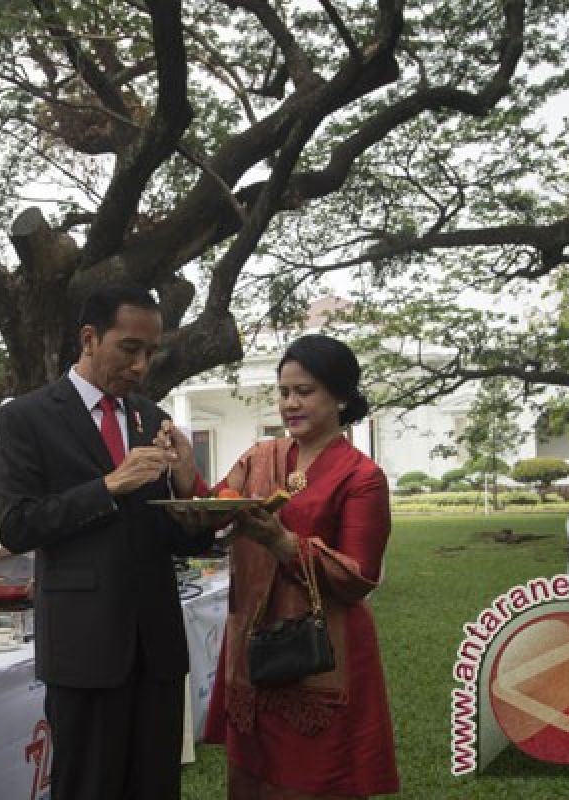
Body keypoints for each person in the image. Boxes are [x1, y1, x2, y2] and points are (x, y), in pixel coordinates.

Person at [0, 285, 214, 800]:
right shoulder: (27, 417)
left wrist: (186, 487)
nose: (140, 366)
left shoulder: (150, 416)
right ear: (89, 338)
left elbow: (179, 541)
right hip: (84, 647)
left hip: (156, 645)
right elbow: (18, 525)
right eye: (129, 348)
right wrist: (109, 486)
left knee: (156, 786)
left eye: (150, 352)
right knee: (88, 785)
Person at [201, 334, 399, 798]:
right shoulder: (259, 458)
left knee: (315, 778)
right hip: (255, 645)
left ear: (340, 396)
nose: (290, 403)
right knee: (253, 776)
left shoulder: (361, 476)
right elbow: (215, 504)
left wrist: (284, 542)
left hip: (321, 653)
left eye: (304, 392)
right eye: (284, 391)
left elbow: (358, 577)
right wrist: (183, 466)